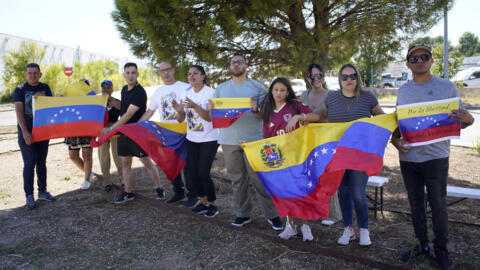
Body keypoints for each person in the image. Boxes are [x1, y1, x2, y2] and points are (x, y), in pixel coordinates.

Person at [391, 44, 474, 269]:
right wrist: (395, 141)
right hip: (409, 159)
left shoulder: (447, 87)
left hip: (437, 157)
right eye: (414, 58)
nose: (419, 61)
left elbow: (460, 121)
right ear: (408, 64)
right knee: (415, 203)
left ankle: (441, 249)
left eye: (424, 56)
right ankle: (421, 245)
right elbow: (399, 124)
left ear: (431, 60)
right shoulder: (404, 91)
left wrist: (469, 120)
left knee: (438, 204)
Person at [287, 63, 384, 246]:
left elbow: (382, 119)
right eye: (345, 77)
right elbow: (319, 115)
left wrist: (396, 138)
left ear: (358, 78)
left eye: (352, 76)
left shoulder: (368, 97)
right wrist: (301, 117)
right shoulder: (332, 98)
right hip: (338, 154)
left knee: (358, 193)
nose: (349, 80)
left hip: (360, 155)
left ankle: (364, 229)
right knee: (344, 192)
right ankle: (348, 229)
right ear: (339, 80)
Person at [209, 53, 283, 230]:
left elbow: (265, 115)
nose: (236, 65)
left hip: (253, 140)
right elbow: (215, 113)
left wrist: (256, 108)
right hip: (229, 140)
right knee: (237, 179)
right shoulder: (220, 89)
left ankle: (273, 215)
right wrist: (210, 108)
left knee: (259, 179)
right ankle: (243, 214)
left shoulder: (257, 87)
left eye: (240, 62)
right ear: (229, 66)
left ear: (246, 65)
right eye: (233, 62)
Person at [251, 77, 313, 241]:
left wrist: (299, 117)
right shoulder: (268, 109)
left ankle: (305, 225)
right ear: (271, 91)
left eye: (282, 90)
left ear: (287, 92)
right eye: (276, 89)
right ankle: (290, 225)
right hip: (279, 160)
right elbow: (267, 140)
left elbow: (315, 116)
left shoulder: (295, 105)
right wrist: (249, 147)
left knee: (300, 191)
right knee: (285, 193)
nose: (279, 93)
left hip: (297, 156)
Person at [102, 62, 166, 203]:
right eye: (127, 73)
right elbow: (123, 108)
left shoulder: (140, 92)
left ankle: (160, 188)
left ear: (137, 74)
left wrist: (112, 129)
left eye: (133, 73)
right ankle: (128, 192)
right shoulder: (124, 89)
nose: (130, 75)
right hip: (125, 132)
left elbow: (129, 114)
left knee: (145, 161)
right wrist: (111, 101)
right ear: (124, 75)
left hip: (137, 132)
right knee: (125, 162)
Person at [138, 61, 198, 207]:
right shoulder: (158, 92)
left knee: (187, 165)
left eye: (168, 69)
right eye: (163, 70)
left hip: (185, 132)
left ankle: (193, 195)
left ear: (173, 70)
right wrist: (137, 125)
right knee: (171, 164)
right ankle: (178, 193)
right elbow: (150, 111)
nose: (166, 73)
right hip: (167, 134)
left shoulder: (185, 87)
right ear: (159, 73)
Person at [172, 65, 219, 217]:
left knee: (203, 173)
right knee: (192, 173)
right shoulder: (186, 93)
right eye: (189, 74)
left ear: (203, 76)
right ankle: (203, 202)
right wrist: (179, 112)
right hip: (192, 138)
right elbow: (180, 120)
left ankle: (212, 205)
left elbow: (210, 118)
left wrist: (194, 106)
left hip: (209, 138)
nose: (191, 76)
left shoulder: (211, 93)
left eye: (195, 74)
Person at [301, 63, 342, 226]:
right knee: (311, 176)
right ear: (308, 78)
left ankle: (334, 213)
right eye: (313, 76)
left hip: (326, 140)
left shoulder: (331, 95)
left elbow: (336, 118)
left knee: (328, 176)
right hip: (308, 141)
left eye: (319, 75)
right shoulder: (303, 95)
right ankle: (316, 210)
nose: (316, 78)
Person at [13, 62, 56, 208]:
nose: (33, 75)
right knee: (30, 162)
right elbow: (19, 112)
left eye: (35, 73)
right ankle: (29, 195)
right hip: (27, 132)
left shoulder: (45, 88)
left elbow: (52, 107)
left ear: (40, 74)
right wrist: (25, 131)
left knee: (41, 162)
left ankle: (42, 191)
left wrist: (44, 99)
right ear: (26, 74)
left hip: (43, 131)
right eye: (30, 73)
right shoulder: (20, 90)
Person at [64, 78, 95, 190]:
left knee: (87, 155)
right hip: (72, 130)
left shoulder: (92, 100)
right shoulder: (70, 99)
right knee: (73, 156)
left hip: (87, 130)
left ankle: (86, 180)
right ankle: (89, 172)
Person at [98, 79, 123, 192]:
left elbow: (125, 114)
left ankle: (123, 180)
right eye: (104, 88)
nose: (106, 90)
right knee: (103, 157)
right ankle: (106, 182)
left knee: (118, 156)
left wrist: (114, 104)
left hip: (115, 132)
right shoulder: (97, 103)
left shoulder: (118, 102)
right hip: (102, 132)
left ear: (112, 89)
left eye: (108, 87)